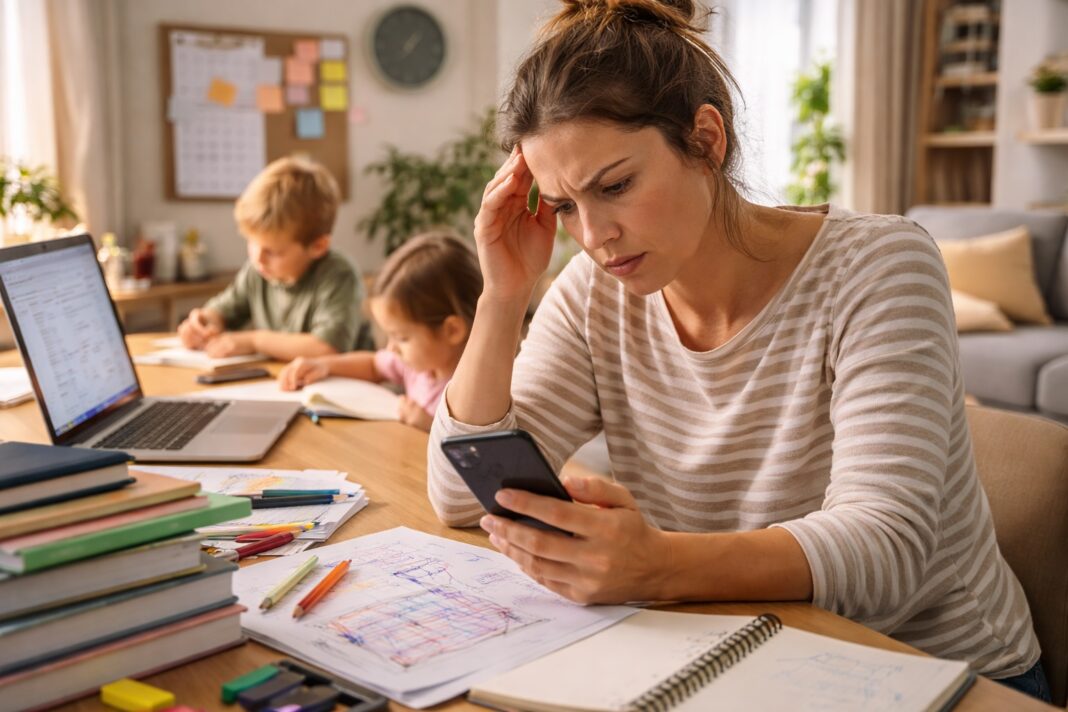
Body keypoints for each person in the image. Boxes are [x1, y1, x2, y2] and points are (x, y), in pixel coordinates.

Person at [426, 0, 1050, 700]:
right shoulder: (592, 291)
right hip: (740, 651)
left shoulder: (879, 266)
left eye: (617, 186)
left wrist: (658, 566)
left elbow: (888, 551)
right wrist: (502, 296)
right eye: (565, 205)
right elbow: (457, 492)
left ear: (706, 140)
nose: (594, 234)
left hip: (939, 670)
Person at [278, 232, 482, 432]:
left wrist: (430, 427)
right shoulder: (420, 364)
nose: (391, 347)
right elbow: (374, 365)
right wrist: (323, 366)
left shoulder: (477, 392)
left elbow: (477, 453)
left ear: (452, 331)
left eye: (402, 338)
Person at [177, 156, 366, 362]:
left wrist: (255, 341)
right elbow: (223, 311)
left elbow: (326, 348)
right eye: (252, 243)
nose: (258, 258)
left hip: (342, 388)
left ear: (318, 246)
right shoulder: (258, 270)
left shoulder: (338, 275)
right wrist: (204, 323)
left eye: (274, 251)